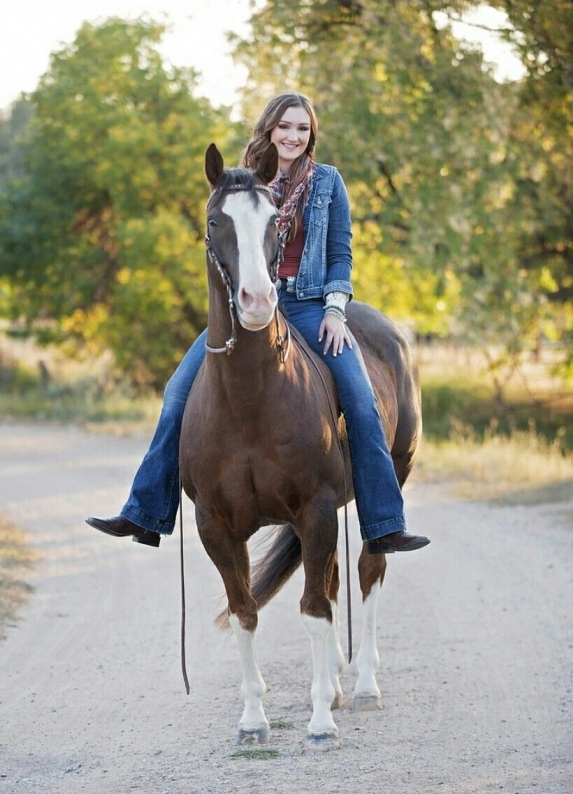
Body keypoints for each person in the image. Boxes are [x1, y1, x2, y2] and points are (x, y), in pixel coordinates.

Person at [87, 92, 429, 555]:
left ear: (311, 136)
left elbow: (340, 253)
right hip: (245, 310)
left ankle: (383, 522)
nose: (293, 136)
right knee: (176, 395)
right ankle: (145, 512)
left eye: (302, 129)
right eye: (285, 126)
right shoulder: (241, 181)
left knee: (363, 401)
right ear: (269, 128)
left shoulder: (328, 183)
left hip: (308, 306)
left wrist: (334, 309)